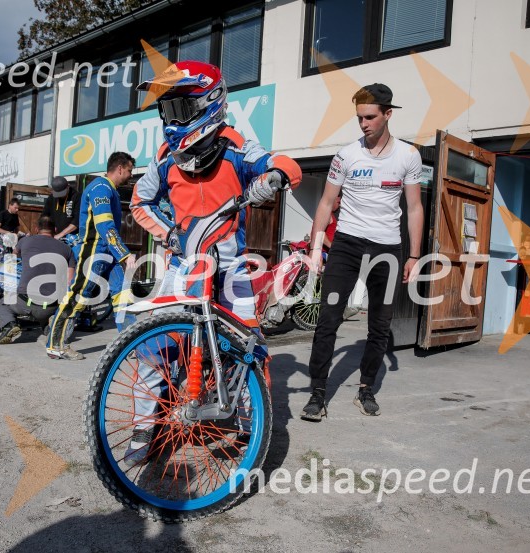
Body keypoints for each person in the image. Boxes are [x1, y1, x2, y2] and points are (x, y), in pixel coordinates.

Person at [125, 61, 302, 465]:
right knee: (153, 348)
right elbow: (139, 201)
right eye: (167, 112)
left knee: (250, 348)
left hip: (230, 269)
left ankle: (249, 423)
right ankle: (143, 425)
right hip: (182, 265)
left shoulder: (236, 143)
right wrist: (168, 234)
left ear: (210, 102)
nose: (172, 121)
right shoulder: (165, 156)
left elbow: (284, 165)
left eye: (180, 110)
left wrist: (273, 177)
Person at [300, 83, 424, 421]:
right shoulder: (346, 155)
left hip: (388, 248)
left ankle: (366, 389)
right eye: (359, 118)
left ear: (387, 114)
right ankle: (318, 393)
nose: (364, 124)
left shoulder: (409, 156)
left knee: (380, 327)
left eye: (370, 117)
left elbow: (414, 208)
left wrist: (413, 256)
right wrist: (314, 247)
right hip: (347, 244)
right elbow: (326, 202)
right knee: (327, 320)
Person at [45, 152, 138, 360]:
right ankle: (55, 344)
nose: (131, 175)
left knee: (122, 295)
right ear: (120, 168)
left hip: (107, 252)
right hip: (94, 251)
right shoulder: (100, 188)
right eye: (130, 170)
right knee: (77, 296)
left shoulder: (107, 189)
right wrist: (124, 254)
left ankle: (132, 343)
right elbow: (105, 225)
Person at [0, 216, 76, 344]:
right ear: (55, 230)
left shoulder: (25, 241)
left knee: (3, 303)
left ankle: (9, 325)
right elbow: (70, 281)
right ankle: (48, 327)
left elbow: (13, 257)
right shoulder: (67, 249)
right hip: (50, 306)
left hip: (24, 303)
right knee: (45, 307)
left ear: (36, 229)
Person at [42, 176, 79, 240]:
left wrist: (61, 234)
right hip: (54, 236)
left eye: (62, 193)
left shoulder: (77, 197)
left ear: (68, 186)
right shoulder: (51, 198)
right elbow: (44, 215)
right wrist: (47, 227)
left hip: (71, 238)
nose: (60, 196)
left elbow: (77, 221)